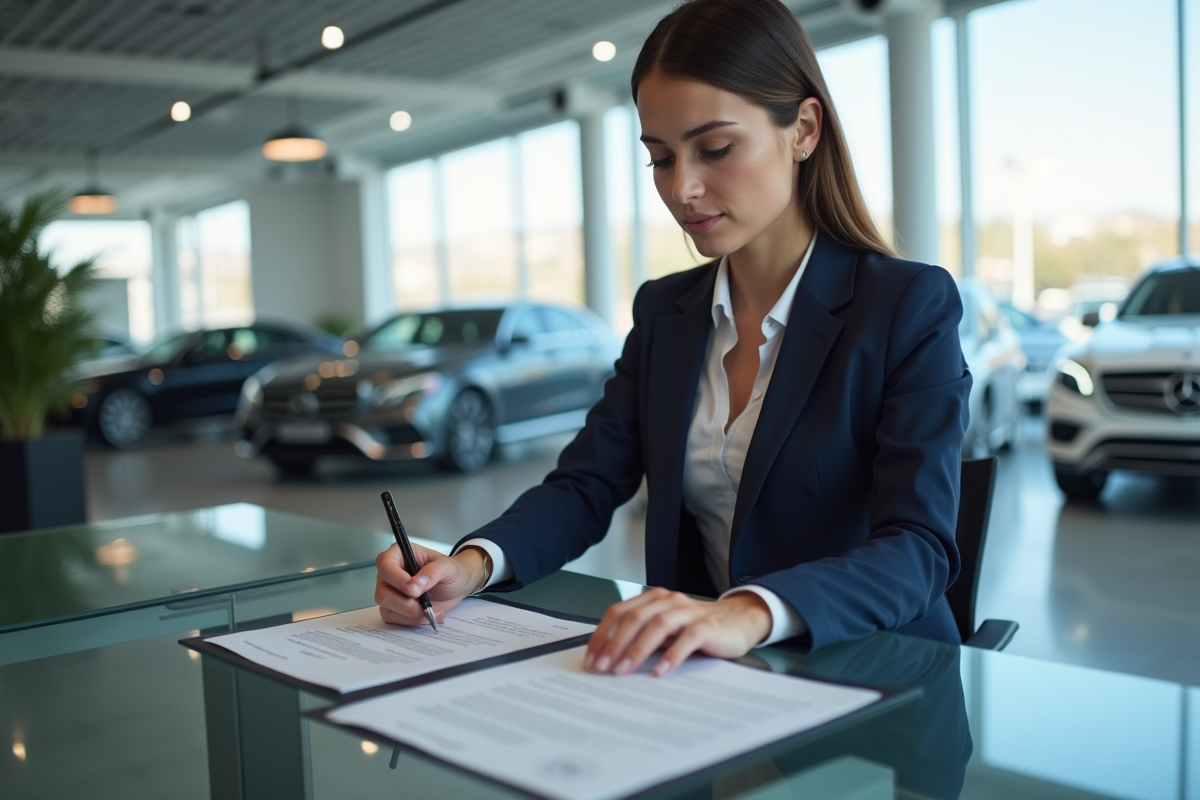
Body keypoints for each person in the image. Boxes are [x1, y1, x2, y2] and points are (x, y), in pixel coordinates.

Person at [375, 0, 971, 677]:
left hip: (874, 684)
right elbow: (586, 485)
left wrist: (744, 612)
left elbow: (918, 547)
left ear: (803, 129)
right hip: (705, 679)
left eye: (715, 149)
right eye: (660, 158)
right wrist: (470, 565)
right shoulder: (665, 312)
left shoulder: (905, 305)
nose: (683, 189)